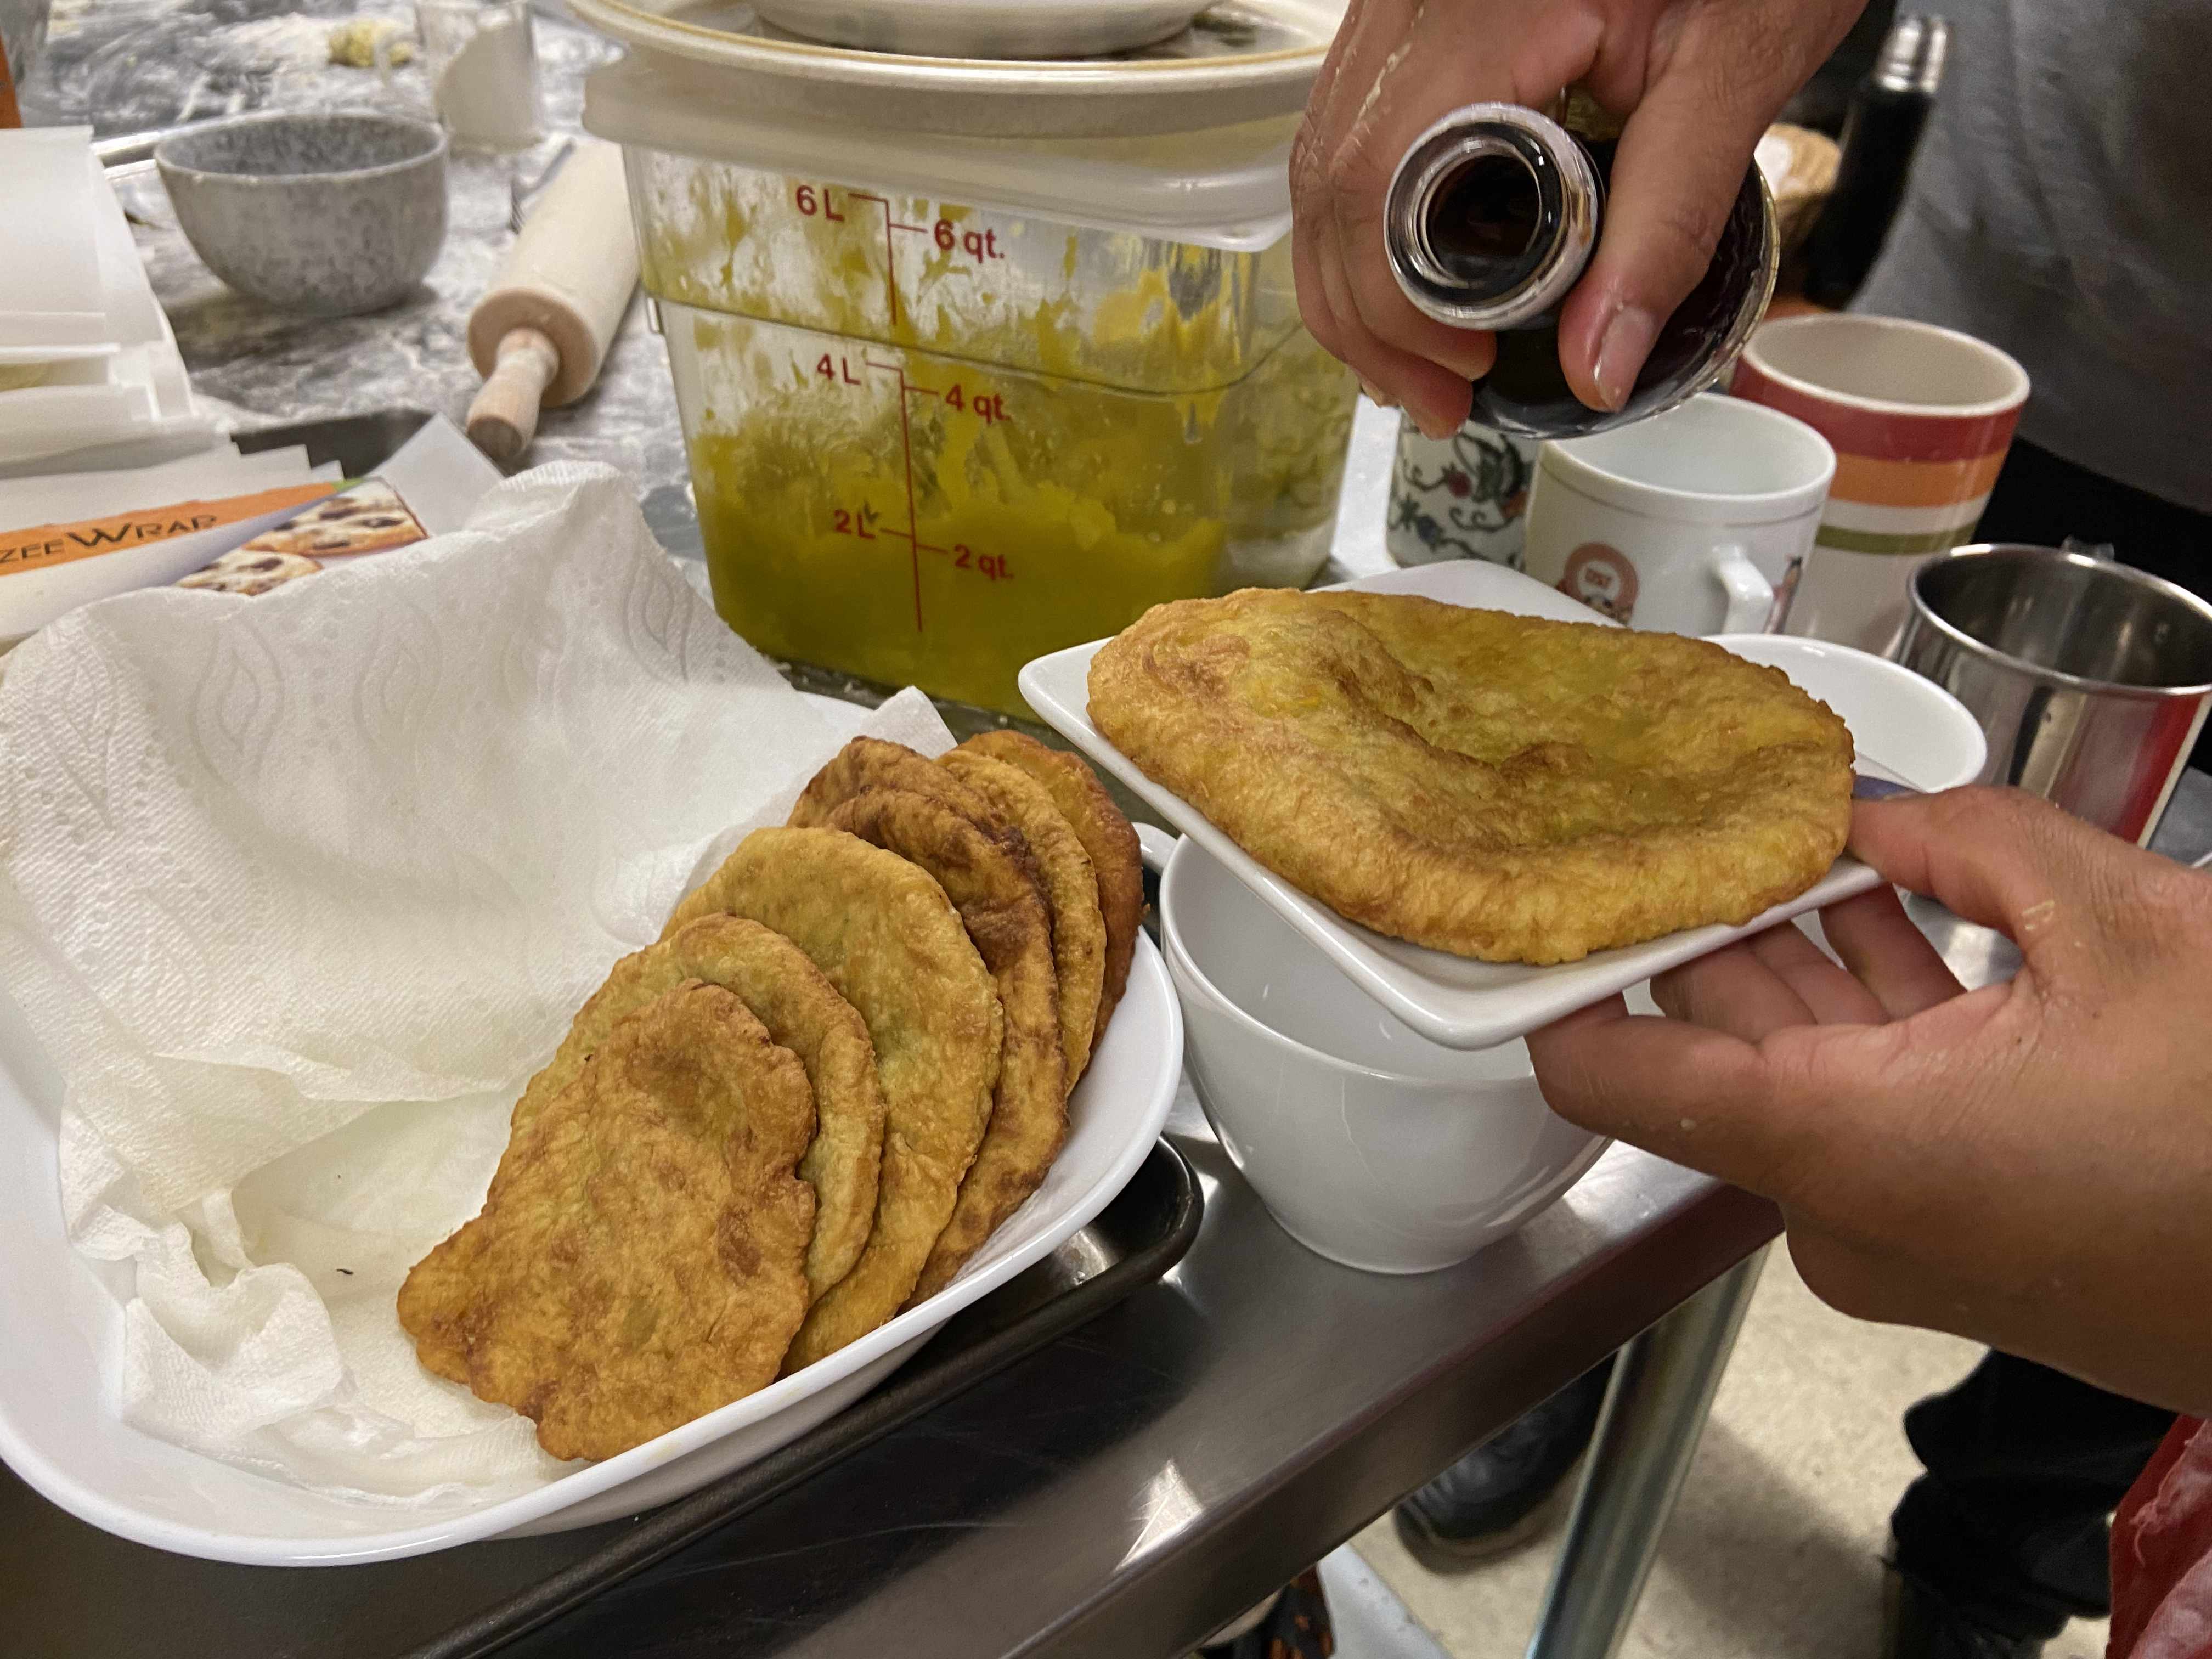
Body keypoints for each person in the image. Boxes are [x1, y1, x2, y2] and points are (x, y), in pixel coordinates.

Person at [1288, 3, 2212, 1654]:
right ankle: (1589, 1344)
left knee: (2028, 1124)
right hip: (1992, 298)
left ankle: (1987, 1565)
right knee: (1756, 987)